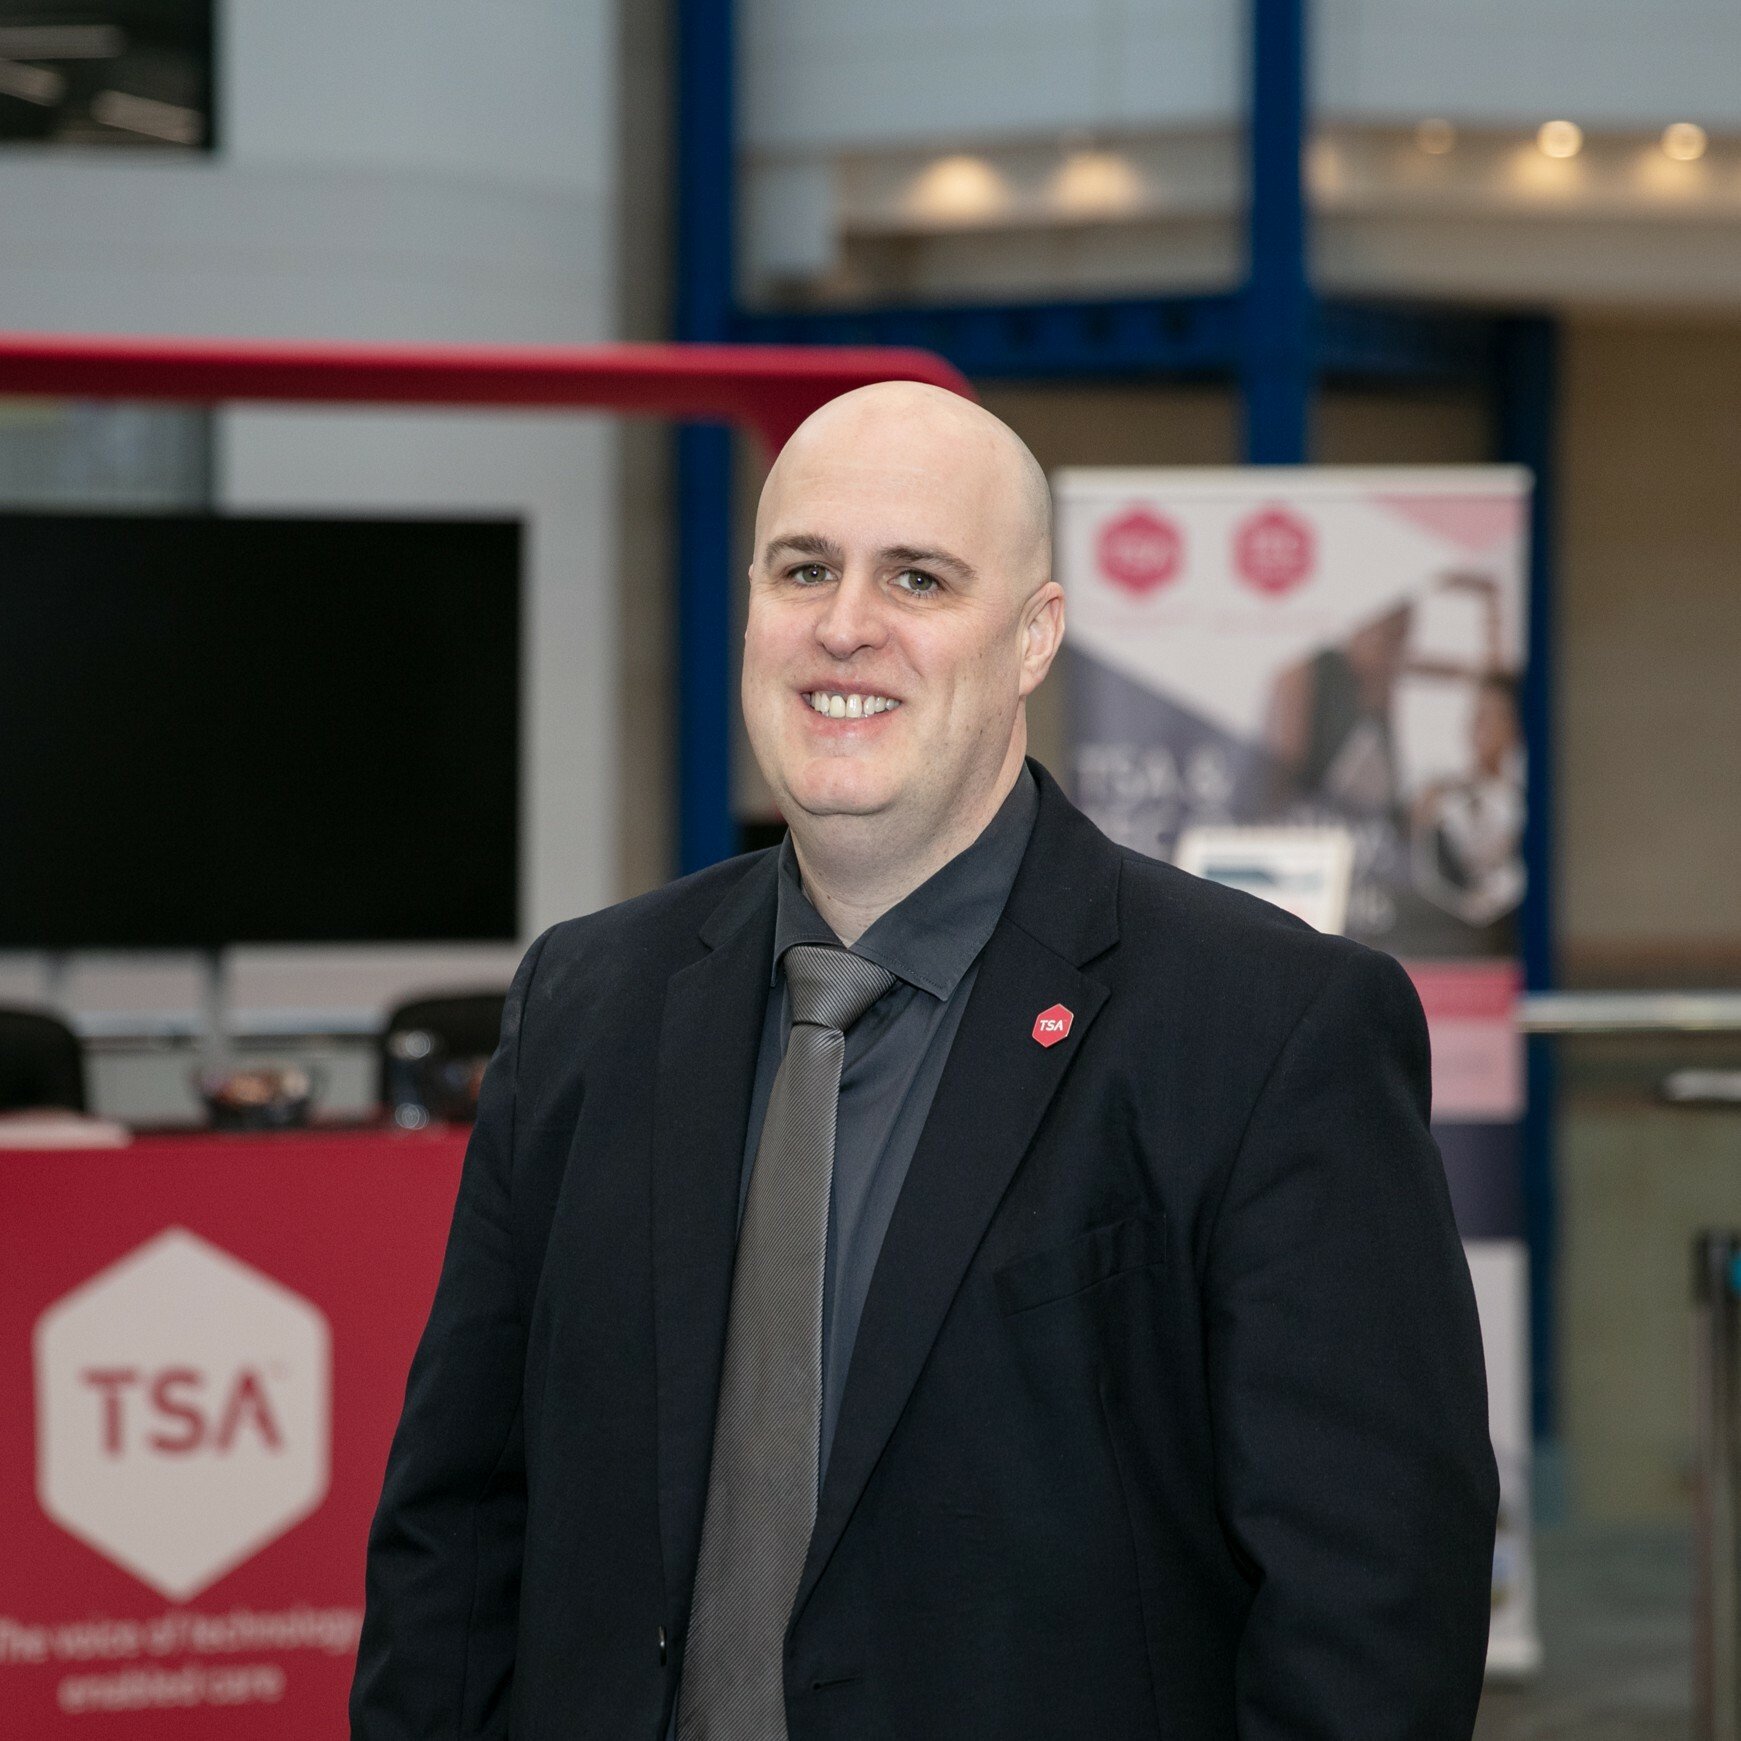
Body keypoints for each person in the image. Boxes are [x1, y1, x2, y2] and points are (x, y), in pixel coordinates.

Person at [351, 382, 1497, 1741]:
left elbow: (1372, 1604)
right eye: (803, 569)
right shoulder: (585, 1004)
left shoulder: (1268, 1028)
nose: (846, 624)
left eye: (918, 577)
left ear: (1033, 636)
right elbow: (458, 1529)